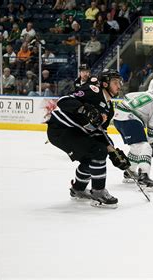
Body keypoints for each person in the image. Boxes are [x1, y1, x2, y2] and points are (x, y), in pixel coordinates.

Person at [46, 69, 129, 208]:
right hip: (61, 129)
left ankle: (78, 189)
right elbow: (63, 101)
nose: (119, 86)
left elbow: (100, 133)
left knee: (93, 157)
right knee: (98, 151)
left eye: (119, 82)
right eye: (115, 82)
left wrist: (113, 152)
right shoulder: (94, 90)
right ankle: (98, 193)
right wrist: (84, 109)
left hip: (76, 132)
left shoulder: (109, 110)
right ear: (105, 83)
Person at [113, 79, 153, 192]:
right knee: (145, 146)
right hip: (130, 117)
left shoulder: (151, 93)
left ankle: (130, 172)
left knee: (137, 146)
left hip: (119, 116)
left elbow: (129, 96)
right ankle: (144, 177)